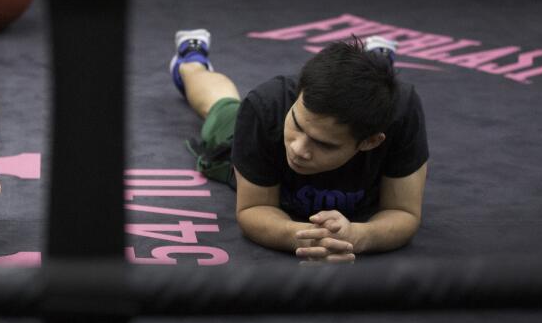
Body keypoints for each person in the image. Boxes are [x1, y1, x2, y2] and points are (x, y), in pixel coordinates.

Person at [170, 29, 428, 263]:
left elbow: (402, 212)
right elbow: (253, 209)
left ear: (371, 141)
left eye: (324, 145)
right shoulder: (266, 108)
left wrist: (359, 236)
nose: (297, 149)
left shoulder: (400, 116)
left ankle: (376, 63)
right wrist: (307, 237)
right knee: (222, 107)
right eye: (297, 125)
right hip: (259, 131)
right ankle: (191, 60)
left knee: (376, 90)